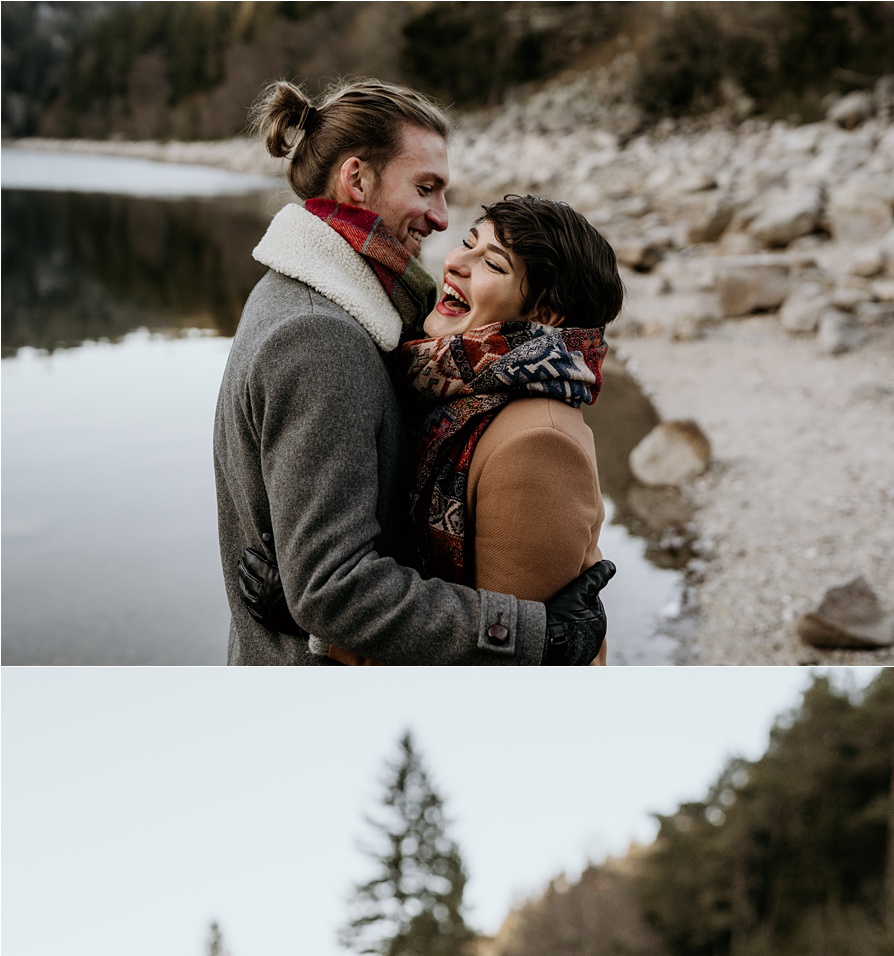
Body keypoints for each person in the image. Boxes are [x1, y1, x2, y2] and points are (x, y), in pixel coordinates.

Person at [215, 77, 612, 666]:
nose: (441, 221)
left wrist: (313, 603)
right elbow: (332, 587)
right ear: (357, 180)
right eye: (426, 188)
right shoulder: (320, 333)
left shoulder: (334, 310)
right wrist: (536, 634)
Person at [378, 197, 621, 639]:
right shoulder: (444, 384)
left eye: (492, 264)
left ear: (545, 316)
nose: (454, 262)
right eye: (467, 244)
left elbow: (508, 657)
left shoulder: (540, 444)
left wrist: (329, 621)